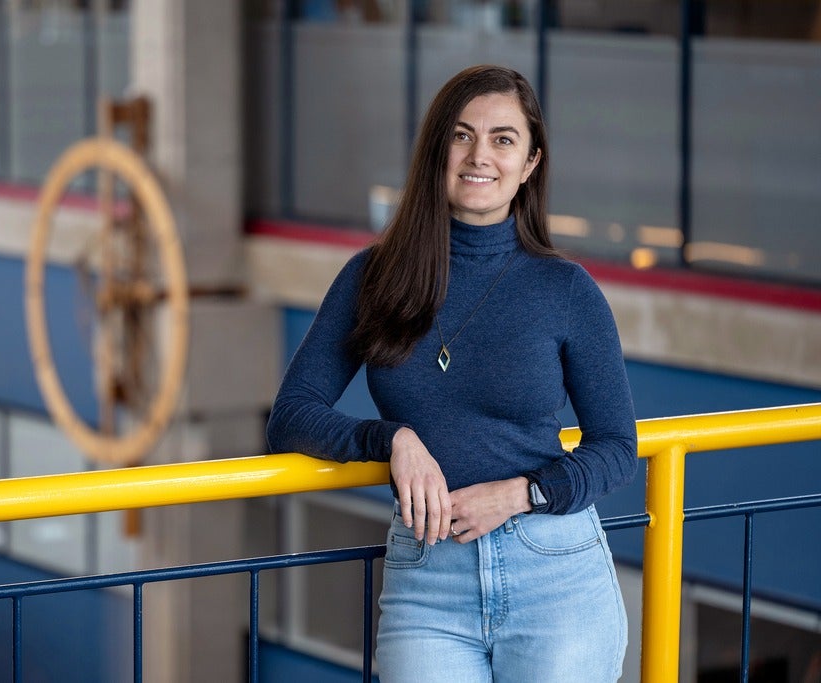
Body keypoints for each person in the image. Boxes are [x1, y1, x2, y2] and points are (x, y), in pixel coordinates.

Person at [266, 64, 638, 682]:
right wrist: (390, 440)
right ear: (437, 149)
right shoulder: (373, 277)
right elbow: (290, 416)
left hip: (554, 573)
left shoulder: (565, 289)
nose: (479, 156)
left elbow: (618, 449)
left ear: (530, 164)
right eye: (462, 135)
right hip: (427, 582)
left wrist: (523, 493)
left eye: (503, 139)